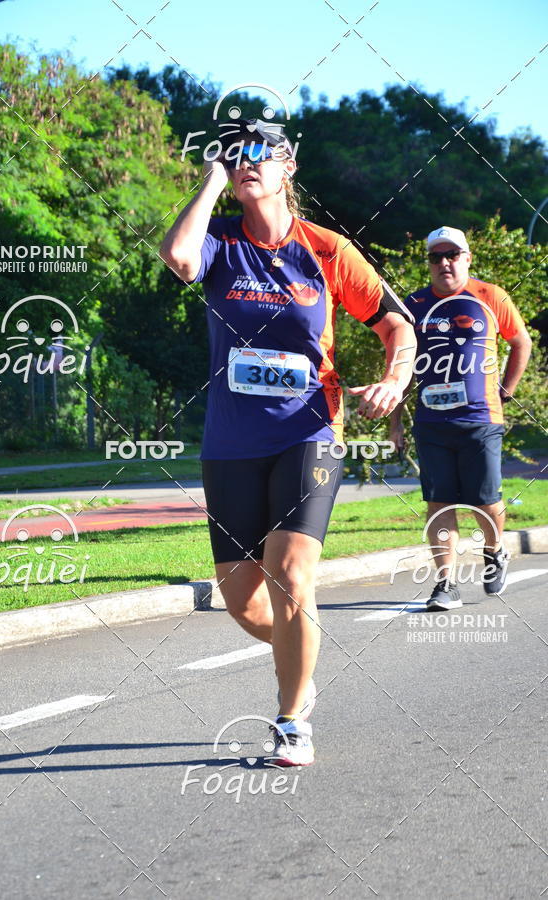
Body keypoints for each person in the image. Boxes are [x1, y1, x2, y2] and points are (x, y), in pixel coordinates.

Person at [161, 118, 415, 766]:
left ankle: (292, 718)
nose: (247, 162)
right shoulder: (219, 241)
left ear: (288, 166)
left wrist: (394, 378)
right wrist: (213, 176)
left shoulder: (327, 250)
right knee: (244, 601)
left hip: (310, 431)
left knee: (292, 571)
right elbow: (179, 260)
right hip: (230, 443)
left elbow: (398, 326)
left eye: (258, 154)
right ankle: (301, 652)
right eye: (235, 155)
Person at [390, 226, 532, 611]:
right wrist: (396, 421)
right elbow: (402, 363)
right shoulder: (413, 305)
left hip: (481, 419)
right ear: (429, 264)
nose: (444, 263)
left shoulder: (490, 297)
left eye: (452, 255)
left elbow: (521, 341)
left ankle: (494, 550)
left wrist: (506, 391)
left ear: (467, 258)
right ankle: (446, 584)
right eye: (436, 257)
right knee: (440, 504)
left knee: (485, 502)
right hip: (432, 422)